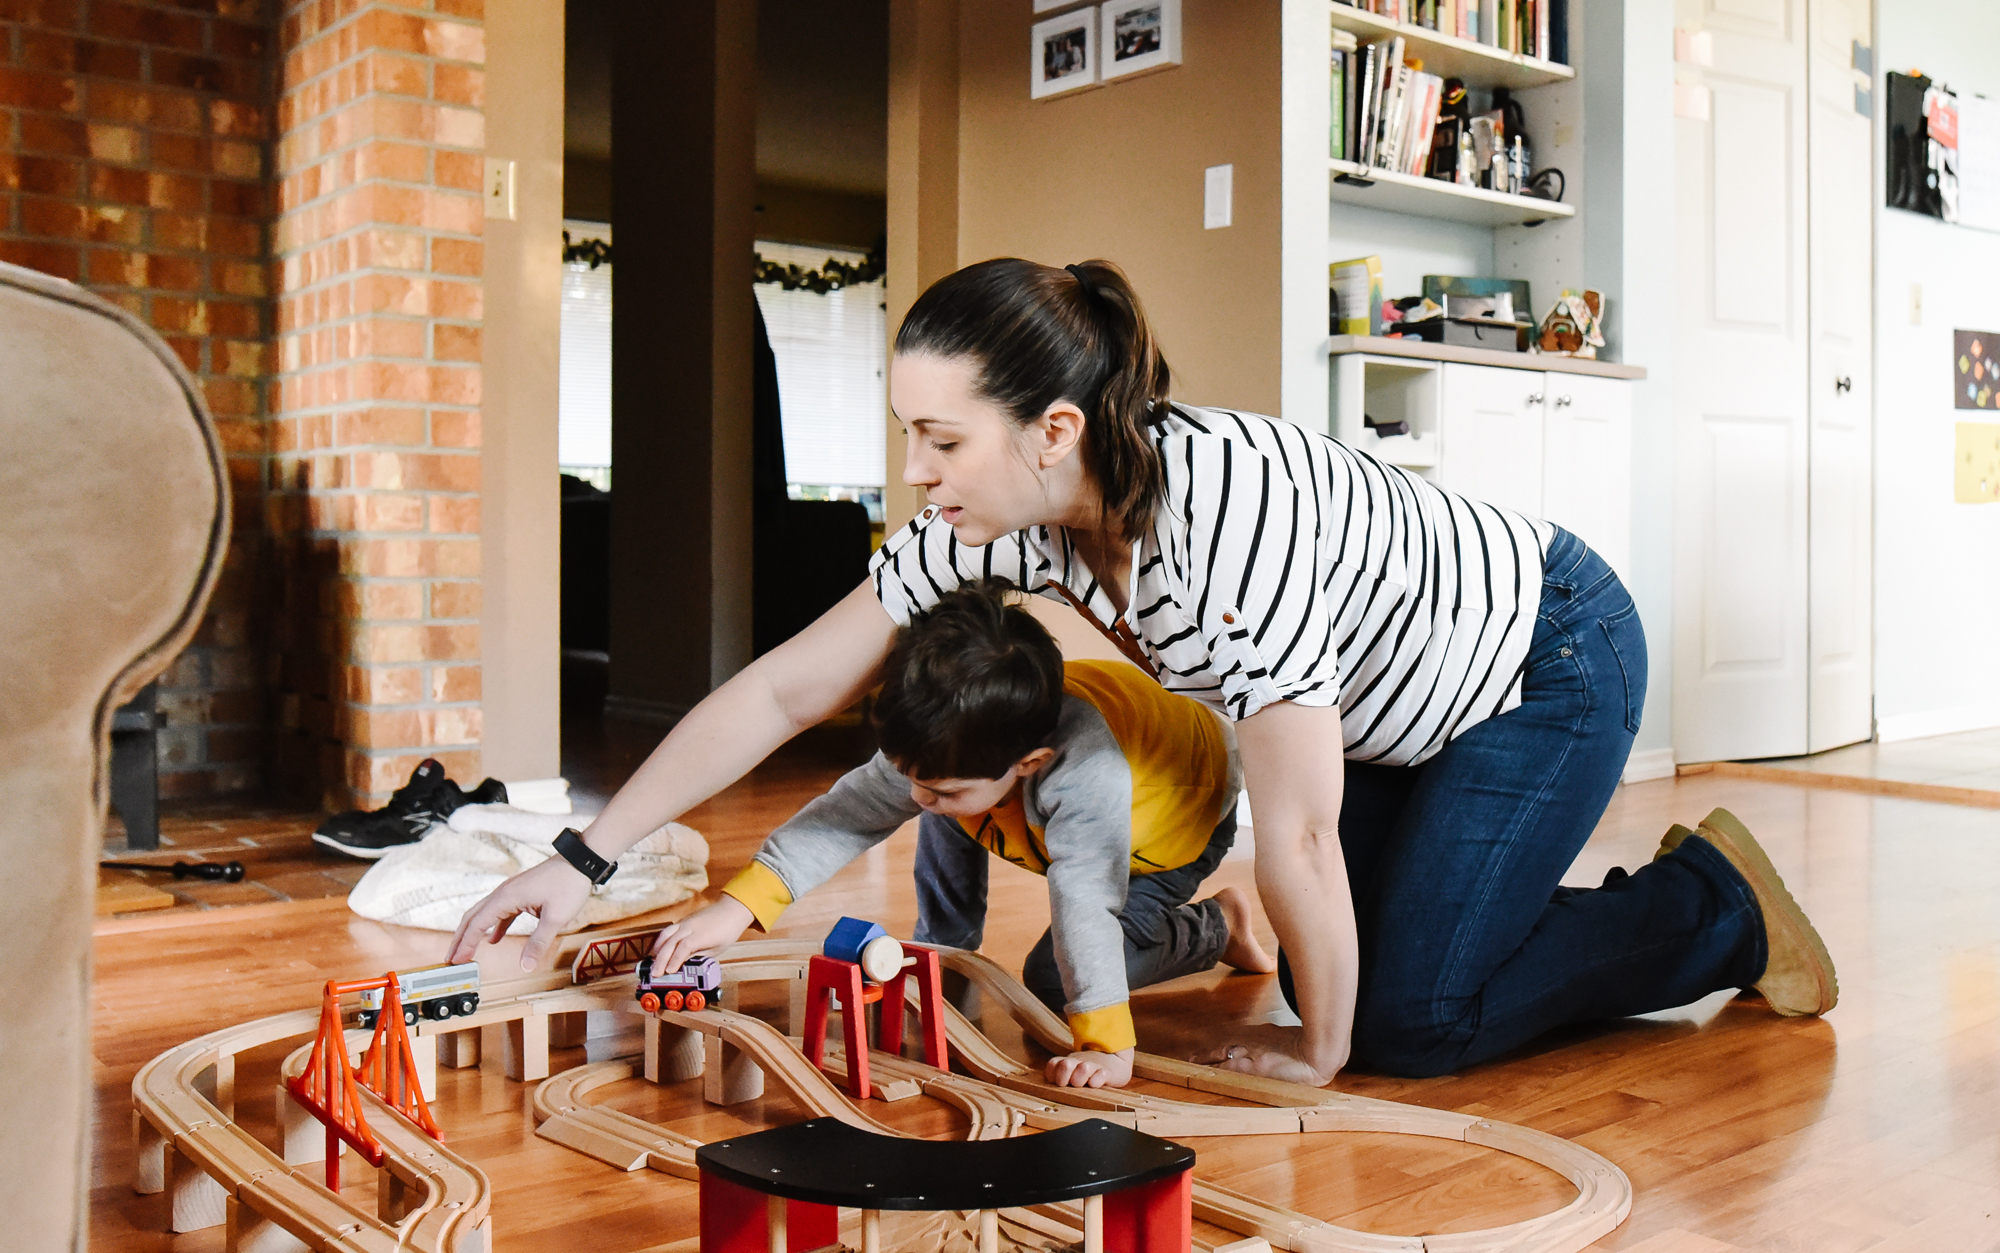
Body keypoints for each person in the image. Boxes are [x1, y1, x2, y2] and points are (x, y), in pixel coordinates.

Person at [449, 257, 1838, 1086]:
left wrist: (1317, 1057)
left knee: (1401, 1017)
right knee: (1336, 953)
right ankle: (1510, 911)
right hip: (1392, 717)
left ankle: (1709, 905)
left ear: (1052, 429)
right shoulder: (1004, 523)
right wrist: (577, 859)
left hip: (1542, 659)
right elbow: (782, 690)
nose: (917, 475)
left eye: (941, 440)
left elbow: (1290, 822)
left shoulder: (1229, 529)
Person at [638, 579, 1271, 1088]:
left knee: (1053, 980)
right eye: (911, 776)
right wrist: (739, 905)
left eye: (941, 786)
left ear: (1030, 764)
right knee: (942, 814)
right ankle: (943, 956)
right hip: (1033, 803)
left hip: (1168, 832)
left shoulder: (1086, 776)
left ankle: (1218, 927)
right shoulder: (950, 745)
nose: (918, 796)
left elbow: (1086, 901)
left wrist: (1107, 1045)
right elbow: (844, 816)